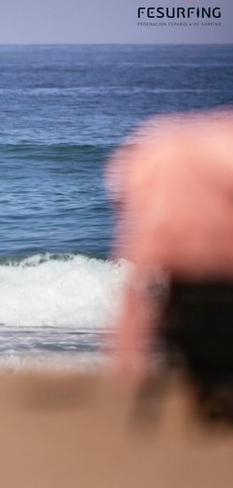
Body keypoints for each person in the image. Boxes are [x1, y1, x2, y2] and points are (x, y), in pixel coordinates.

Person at [107, 108, 233, 424]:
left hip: (191, 314)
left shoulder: (162, 152)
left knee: (187, 313)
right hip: (215, 302)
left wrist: (127, 352)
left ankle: (206, 388)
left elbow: (139, 276)